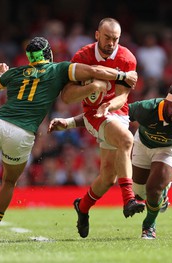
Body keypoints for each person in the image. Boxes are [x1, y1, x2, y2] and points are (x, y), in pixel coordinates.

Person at [0, 36, 138, 242]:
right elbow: (94, 71)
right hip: (22, 133)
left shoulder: (16, 71)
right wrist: (122, 75)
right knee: (9, 181)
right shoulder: (58, 69)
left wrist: (1, 77)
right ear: (48, 53)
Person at [48, 83, 172, 239]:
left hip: (171, 148)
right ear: (166, 102)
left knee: (153, 188)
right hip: (143, 145)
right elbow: (105, 116)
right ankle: (161, 196)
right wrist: (69, 123)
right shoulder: (146, 108)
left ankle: (149, 225)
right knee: (139, 194)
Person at [58, 17, 145, 238]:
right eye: (107, 38)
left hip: (116, 112)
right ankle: (129, 200)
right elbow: (67, 97)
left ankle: (83, 207)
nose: (111, 43)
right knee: (127, 140)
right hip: (93, 115)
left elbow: (123, 96)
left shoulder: (127, 58)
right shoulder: (82, 56)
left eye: (115, 39)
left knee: (108, 178)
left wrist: (108, 105)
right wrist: (93, 88)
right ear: (97, 35)